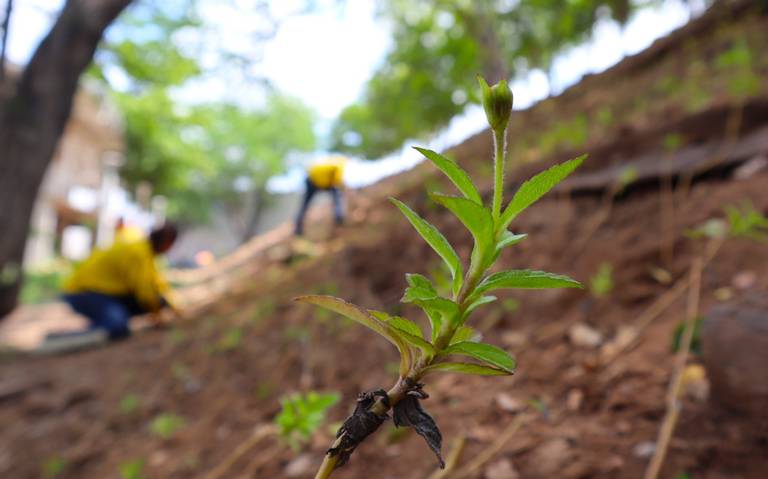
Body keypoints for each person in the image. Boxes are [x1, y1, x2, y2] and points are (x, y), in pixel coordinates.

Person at [55, 223, 181, 343]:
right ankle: (66, 340)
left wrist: (174, 307)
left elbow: (156, 283)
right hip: (84, 292)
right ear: (167, 242)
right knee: (117, 326)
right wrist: (157, 315)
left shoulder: (143, 250)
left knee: (158, 301)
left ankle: (105, 321)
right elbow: (145, 292)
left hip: (104, 292)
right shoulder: (138, 253)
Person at [295, 156, 347, 236]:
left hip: (315, 181)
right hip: (315, 182)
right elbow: (338, 181)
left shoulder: (329, 165)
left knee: (305, 205)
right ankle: (339, 217)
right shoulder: (339, 166)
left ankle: (298, 227)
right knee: (337, 198)